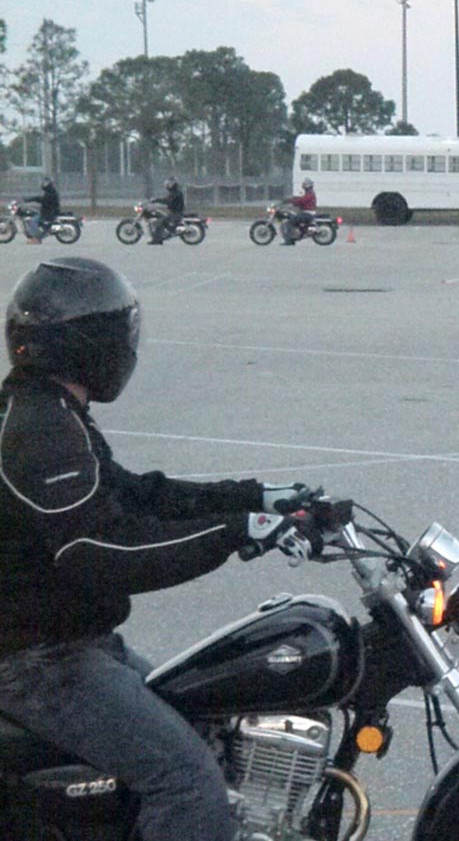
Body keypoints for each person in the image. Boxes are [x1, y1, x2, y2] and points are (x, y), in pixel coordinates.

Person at [0, 258, 323, 841]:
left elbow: (137, 495)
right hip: (39, 663)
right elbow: (98, 548)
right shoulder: (39, 428)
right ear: (91, 343)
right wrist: (236, 531)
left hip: (75, 644)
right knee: (188, 782)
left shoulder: (51, 411)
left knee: (206, 722)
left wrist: (256, 498)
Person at [22, 176, 60, 245]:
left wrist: (30, 199)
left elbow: (42, 199)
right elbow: (41, 199)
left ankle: (37, 238)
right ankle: (36, 236)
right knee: (34, 215)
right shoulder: (50, 191)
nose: (42, 184)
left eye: (44, 183)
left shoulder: (50, 192)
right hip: (49, 211)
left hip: (48, 213)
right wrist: (30, 199)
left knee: (32, 221)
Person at [148, 176, 185, 245]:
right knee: (161, 219)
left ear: (173, 184)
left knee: (159, 222)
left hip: (176, 213)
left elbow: (168, 201)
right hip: (174, 212)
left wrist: (156, 200)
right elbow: (167, 200)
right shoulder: (174, 192)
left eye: (169, 183)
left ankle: (157, 240)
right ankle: (162, 236)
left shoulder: (176, 192)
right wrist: (156, 200)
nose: (167, 185)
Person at [283, 177, 317, 245]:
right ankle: (294, 235)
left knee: (289, 222)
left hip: (307, 213)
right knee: (292, 218)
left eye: (304, 184)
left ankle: (289, 240)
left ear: (307, 185)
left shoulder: (310, 193)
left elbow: (302, 200)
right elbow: (301, 199)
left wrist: (292, 201)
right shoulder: (309, 193)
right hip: (306, 213)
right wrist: (292, 199)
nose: (303, 186)